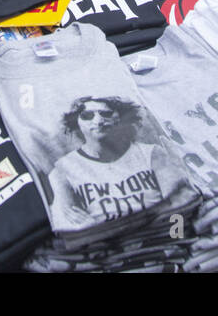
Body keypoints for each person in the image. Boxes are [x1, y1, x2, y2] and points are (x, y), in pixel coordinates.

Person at [45, 96, 174, 230]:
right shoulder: (63, 170)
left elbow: (180, 202)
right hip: (111, 247)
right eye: (87, 115)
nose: (98, 121)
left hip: (164, 237)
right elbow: (66, 227)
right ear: (76, 122)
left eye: (106, 113)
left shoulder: (152, 154)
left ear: (120, 118)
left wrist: (101, 227)